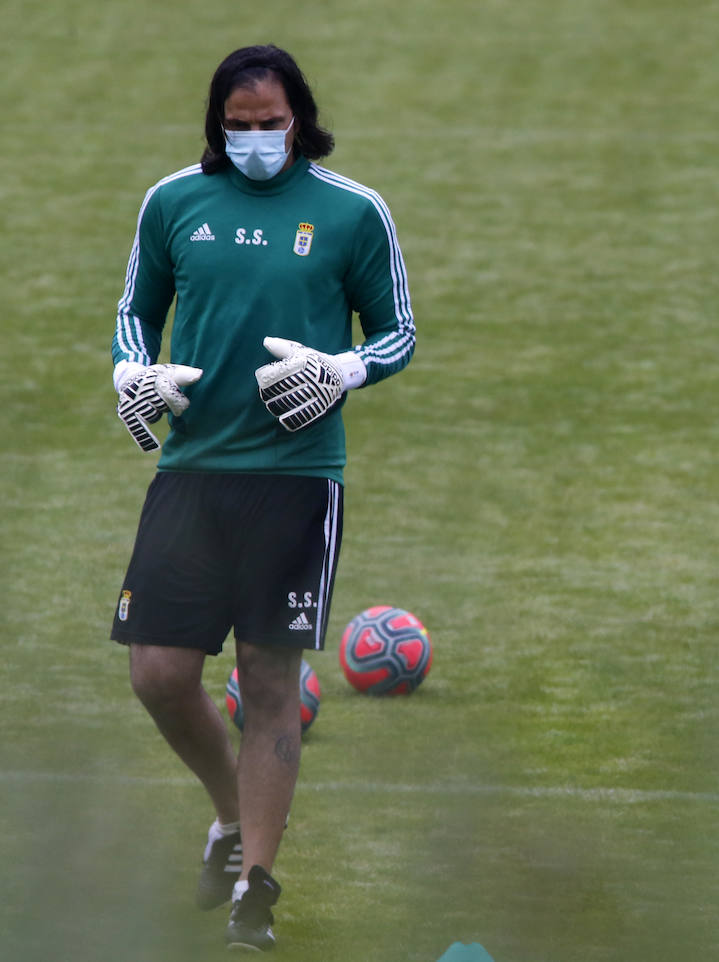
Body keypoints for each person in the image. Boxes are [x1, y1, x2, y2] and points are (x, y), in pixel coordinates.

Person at [110, 44, 415, 951]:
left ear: (299, 119)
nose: (253, 140)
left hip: (296, 479)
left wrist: (343, 367)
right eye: (237, 127)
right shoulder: (174, 203)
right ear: (218, 125)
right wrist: (136, 370)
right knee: (159, 674)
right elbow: (137, 308)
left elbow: (398, 330)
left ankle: (256, 889)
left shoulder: (352, 213)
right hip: (192, 468)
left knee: (270, 680)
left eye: (269, 124)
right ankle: (229, 815)